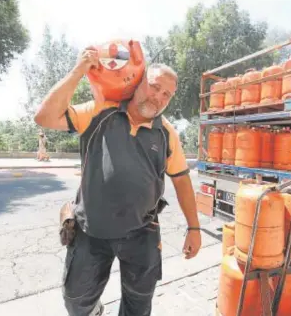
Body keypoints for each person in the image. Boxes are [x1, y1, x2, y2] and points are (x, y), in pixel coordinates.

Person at [34, 46, 202, 316]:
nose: (158, 97)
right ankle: (94, 310)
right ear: (138, 81)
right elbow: (44, 117)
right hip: (91, 230)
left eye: (166, 95)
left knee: (138, 304)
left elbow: (182, 180)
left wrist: (194, 227)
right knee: (76, 300)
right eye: (155, 86)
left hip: (141, 232)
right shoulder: (100, 111)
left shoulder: (167, 133)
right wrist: (79, 71)